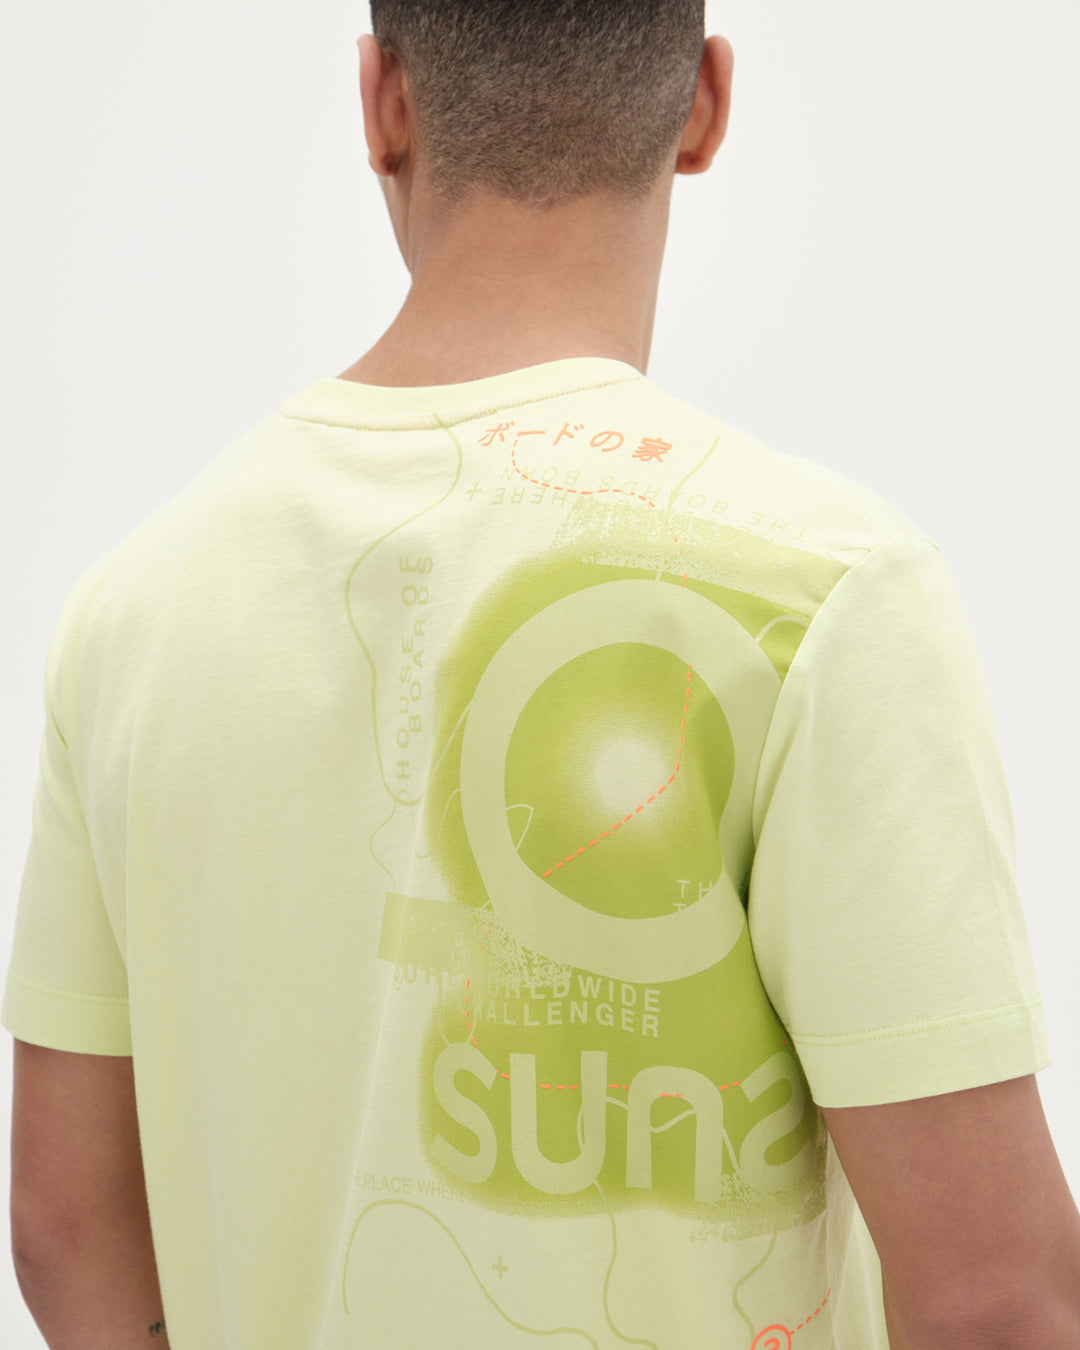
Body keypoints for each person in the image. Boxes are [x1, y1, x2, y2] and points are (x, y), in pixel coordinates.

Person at [4, 3, 1079, 1348]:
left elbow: (63, 1226)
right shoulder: (826, 591)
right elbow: (993, 1300)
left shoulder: (134, 610)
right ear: (704, 105)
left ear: (383, 101)